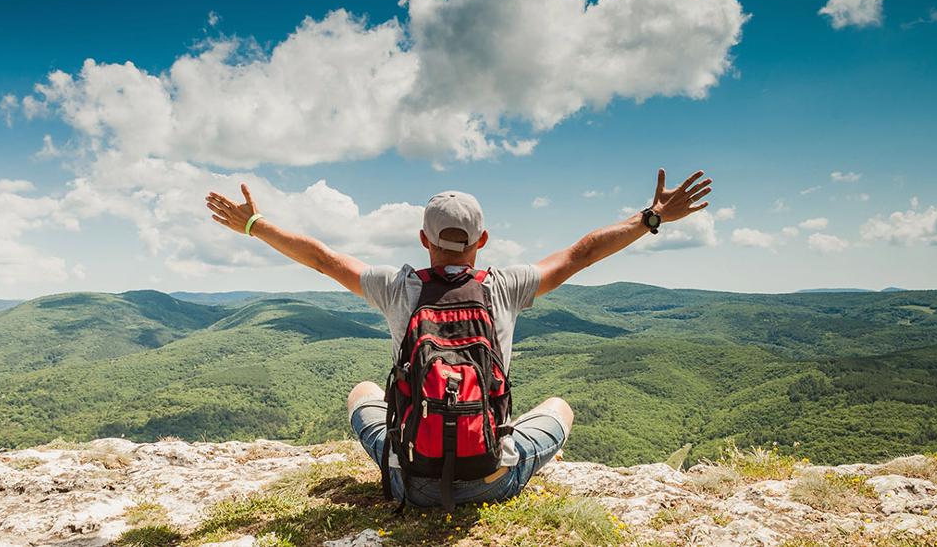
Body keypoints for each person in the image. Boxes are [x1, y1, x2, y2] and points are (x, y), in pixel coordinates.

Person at [205, 168, 712, 507]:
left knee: (362, 393)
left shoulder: (396, 287)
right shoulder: (506, 286)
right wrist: (651, 218)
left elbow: (322, 258)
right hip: (492, 478)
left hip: (409, 482)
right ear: (482, 242)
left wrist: (254, 223)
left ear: (424, 240)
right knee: (559, 405)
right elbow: (580, 253)